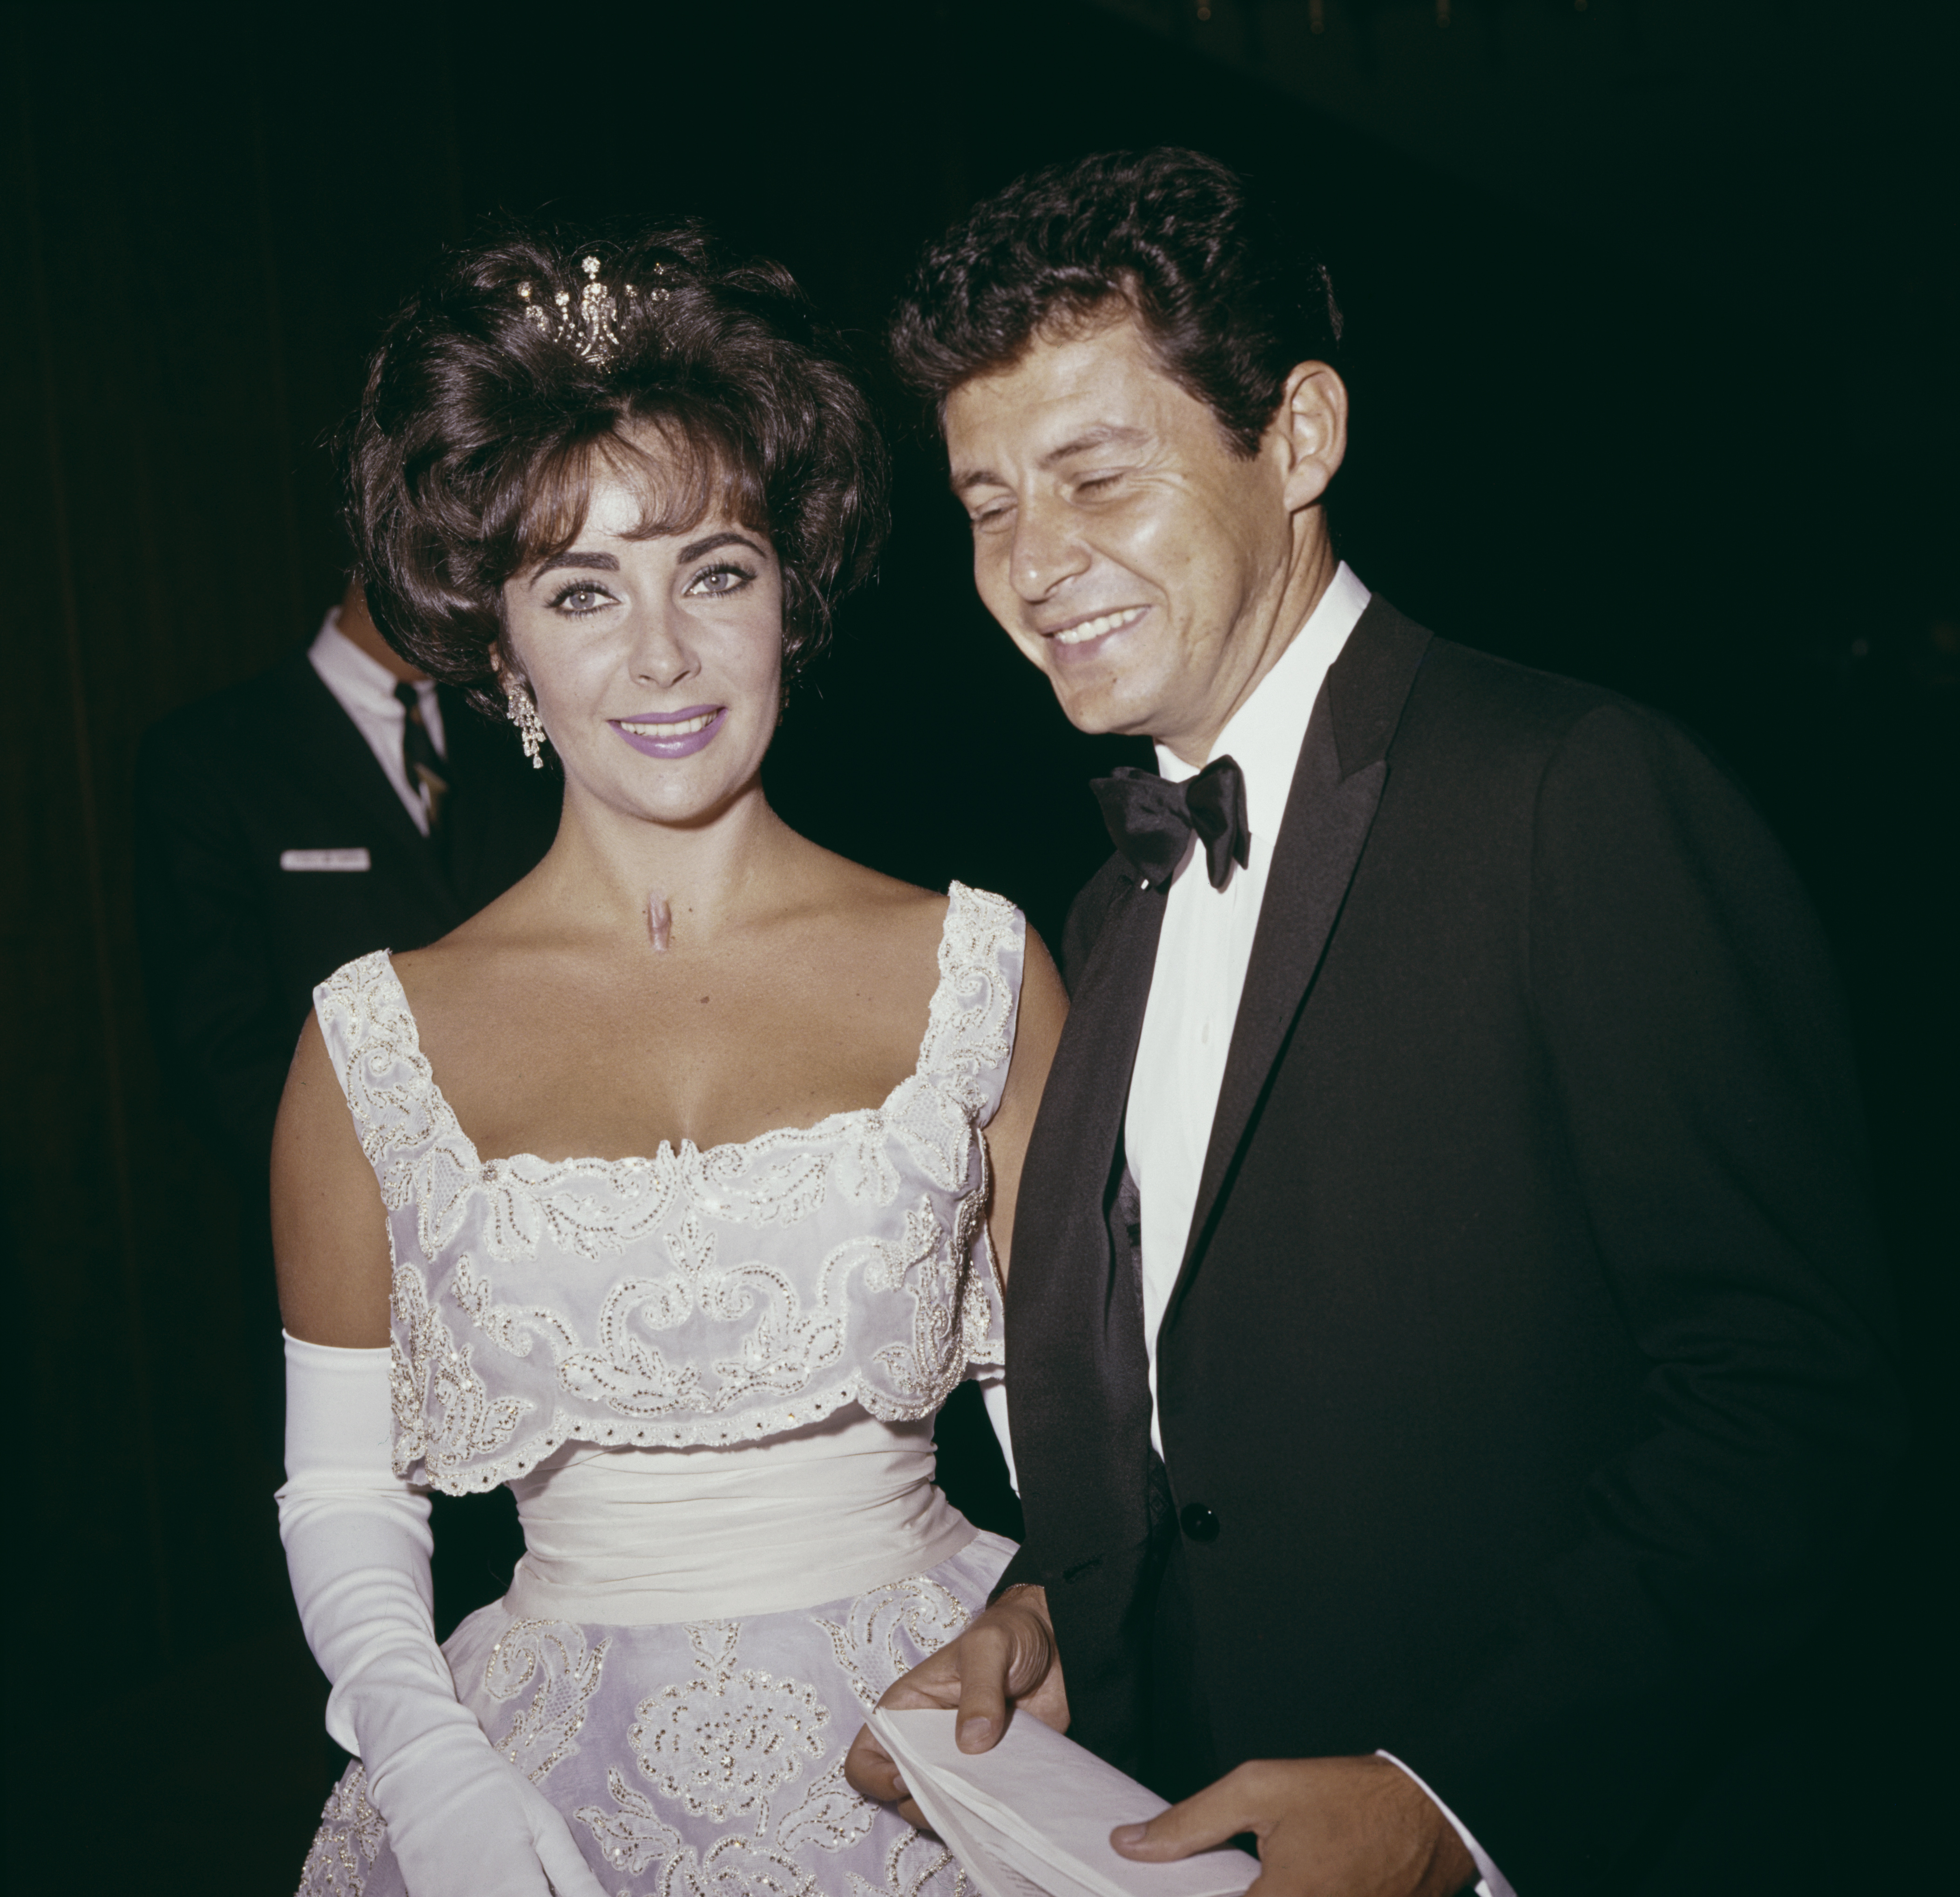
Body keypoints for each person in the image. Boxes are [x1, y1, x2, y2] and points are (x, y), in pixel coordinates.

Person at [845, 149, 1909, 1896]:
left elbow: (1792, 1398)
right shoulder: (1109, 904)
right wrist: (1054, 1601)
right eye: (985, 504)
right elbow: (1196, 1407)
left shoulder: (1574, 788)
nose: (1036, 564)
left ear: (1304, 437)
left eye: (1096, 475)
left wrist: (1457, 1793)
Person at [272, 224, 1066, 1897]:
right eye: (582, 590)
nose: (661, 657)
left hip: (940, 1746)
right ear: (504, 649)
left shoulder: (980, 969)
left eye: (714, 570)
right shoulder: (371, 1039)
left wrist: (1043, 1605)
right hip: (542, 1761)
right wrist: (427, 1762)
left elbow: (1092, 1437)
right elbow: (342, 1492)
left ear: (792, 594)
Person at [135, 568, 558, 1453]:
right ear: (374, 550)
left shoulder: (529, 737)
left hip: (551, 1252)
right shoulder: (212, 754)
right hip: (350, 1261)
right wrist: (401, 1209)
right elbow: (220, 1052)